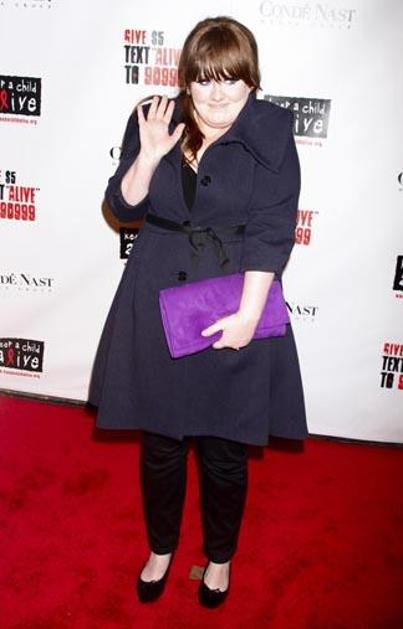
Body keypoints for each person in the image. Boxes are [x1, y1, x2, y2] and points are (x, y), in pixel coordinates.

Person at [88, 15, 308, 607]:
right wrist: (148, 157)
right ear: (186, 78)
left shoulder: (270, 130)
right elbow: (123, 208)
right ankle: (161, 548)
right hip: (157, 291)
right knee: (161, 443)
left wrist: (248, 317)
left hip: (232, 297)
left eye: (231, 79)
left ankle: (219, 557)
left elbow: (271, 228)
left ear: (252, 80)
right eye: (205, 79)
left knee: (224, 448)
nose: (217, 94)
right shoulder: (156, 116)